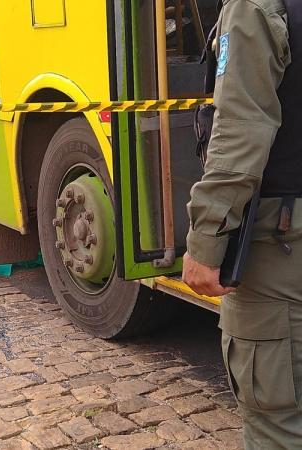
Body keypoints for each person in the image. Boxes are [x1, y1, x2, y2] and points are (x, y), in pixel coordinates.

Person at [182, 0, 302, 447]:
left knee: (279, 424)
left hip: (282, 247)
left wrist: (207, 239)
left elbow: (241, 128)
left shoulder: (255, 9)